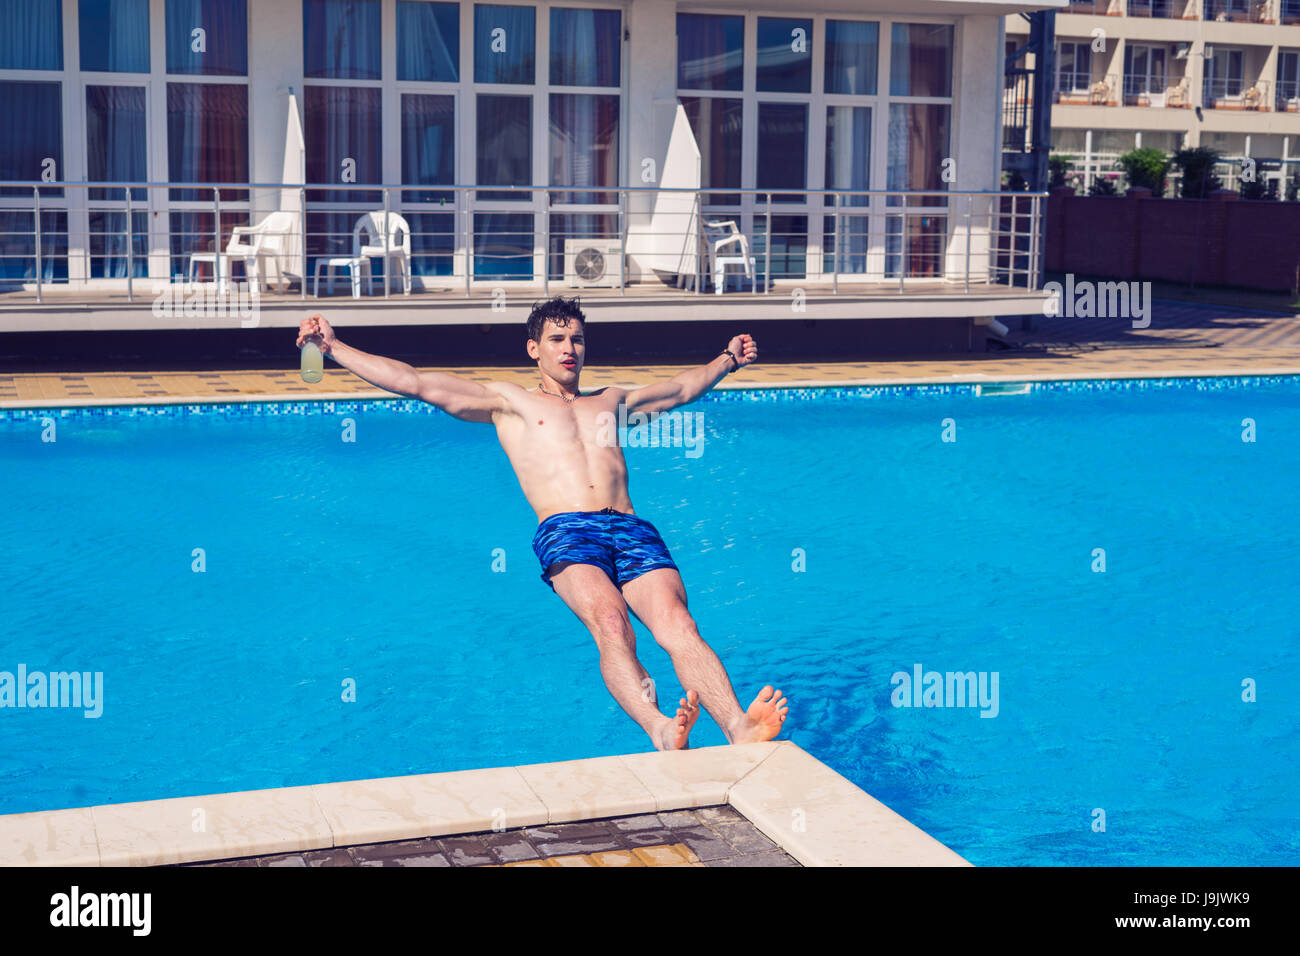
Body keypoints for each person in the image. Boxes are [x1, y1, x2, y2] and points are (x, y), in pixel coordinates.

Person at [296, 295, 788, 752]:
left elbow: (681, 389)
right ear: (534, 348)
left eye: (576, 338)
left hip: (631, 528)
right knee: (612, 625)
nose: (569, 348)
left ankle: (737, 726)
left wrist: (728, 358)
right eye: (556, 339)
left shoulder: (611, 402)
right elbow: (415, 382)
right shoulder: (510, 402)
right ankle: (660, 728)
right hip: (568, 531)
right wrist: (334, 346)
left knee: (679, 623)